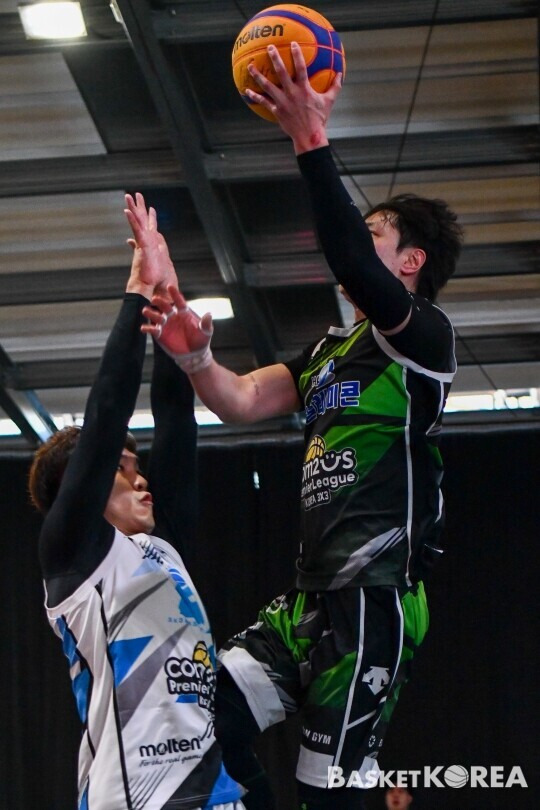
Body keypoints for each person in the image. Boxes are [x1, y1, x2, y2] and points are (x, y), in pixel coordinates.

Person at [141, 43, 463, 810]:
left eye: (375, 231)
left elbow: (350, 260)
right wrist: (194, 358)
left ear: (410, 261)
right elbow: (240, 400)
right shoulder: (326, 353)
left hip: (375, 598)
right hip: (308, 600)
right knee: (198, 717)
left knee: (328, 795)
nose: (359, 237)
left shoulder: (422, 339)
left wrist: (309, 136)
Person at [28, 194, 244, 810]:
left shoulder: (160, 547)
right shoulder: (74, 557)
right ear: (84, 490)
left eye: (136, 468)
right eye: (123, 473)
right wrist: (136, 294)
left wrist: (169, 298)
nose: (141, 479)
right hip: (134, 798)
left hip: (214, 795)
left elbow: (175, 419)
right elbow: (105, 417)